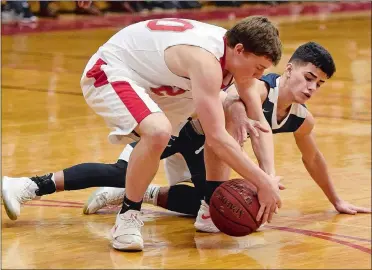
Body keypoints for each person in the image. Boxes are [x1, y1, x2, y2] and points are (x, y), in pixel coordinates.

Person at [2, 16, 282, 251]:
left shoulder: (234, 60)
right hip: (114, 70)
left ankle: (209, 208)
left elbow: (260, 124)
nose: (258, 76)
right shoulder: (206, 61)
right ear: (240, 50)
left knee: (231, 115)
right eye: (258, 68)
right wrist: (261, 182)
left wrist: (267, 176)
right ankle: (127, 216)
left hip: (164, 91)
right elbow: (218, 138)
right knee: (154, 137)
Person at [69, 42, 372, 222]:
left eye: (319, 84)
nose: (311, 88)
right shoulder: (257, 88)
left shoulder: (300, 119)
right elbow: (235, 102)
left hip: (207, 148)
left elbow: (314, 158)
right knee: (117, 171)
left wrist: (337, 200)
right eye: (308, 77)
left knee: (215, 205)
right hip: (178, 127)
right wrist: (264, 174)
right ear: (289, 69)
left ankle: (139, 193)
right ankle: (34, 186)